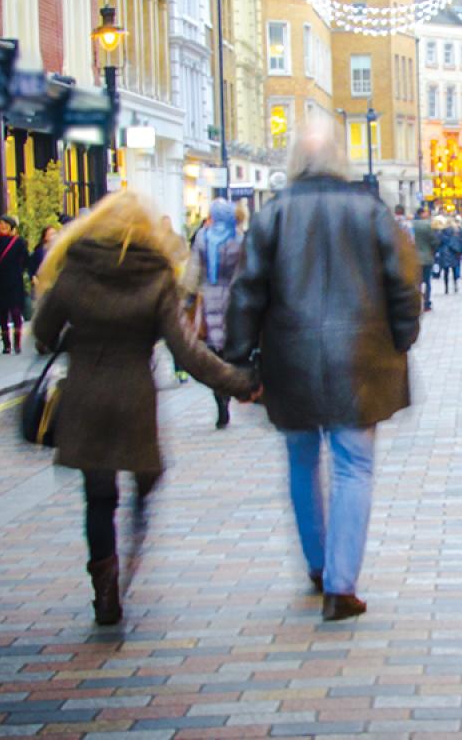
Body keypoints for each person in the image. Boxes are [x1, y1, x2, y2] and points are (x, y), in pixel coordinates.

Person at [225, 118, 422, 622]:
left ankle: (317, 565)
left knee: (300, 460)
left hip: (289, 358)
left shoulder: (272, 216)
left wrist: (240, 358)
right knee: (354, 465)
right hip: (360, 357)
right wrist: (402, 338)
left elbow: (247, 291)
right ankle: (341, 585)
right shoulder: (370, 211)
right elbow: (404, 282)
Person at [31, 190, 257, 626]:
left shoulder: (75, 269)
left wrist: (70, 334)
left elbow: (43, 332)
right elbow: (187, 352)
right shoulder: (154, 275)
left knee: (98, 498)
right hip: (133, 398)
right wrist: (240, 382)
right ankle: (135, 530)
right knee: (144, 474)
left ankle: (105, 587)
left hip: (84, 396)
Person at [187, 199, 247, 429]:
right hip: (233, 302)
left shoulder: (203, 237)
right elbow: (246, 271)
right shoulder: (238, 238)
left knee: (213, 352)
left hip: (209, 299)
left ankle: (219, 396)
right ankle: (228, 391)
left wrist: (188, 299)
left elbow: (193, 270)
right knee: (229, 352)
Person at [0, 215, 29, 354]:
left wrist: (21, 271)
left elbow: (25, 259)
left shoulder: (19, 242)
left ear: (11, 226)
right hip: (0, 280)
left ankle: (17, 342)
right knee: (3, 313)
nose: (2, 227)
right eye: (0, 224)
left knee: (15, 312)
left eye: (5, 224)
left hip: (15, 281)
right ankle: (6, 344)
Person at [411, 205, 439, 309]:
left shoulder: (410, 225)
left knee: (416, 281)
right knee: (427, 281)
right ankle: (426, 302)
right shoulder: (427, 225)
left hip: (413, 258)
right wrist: (434, 250)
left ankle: (416, 302)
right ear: (422, 213)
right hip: (426, 258)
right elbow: (434, 241)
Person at [436, 217, 462, 294]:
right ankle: (455, 284)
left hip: (444, 252)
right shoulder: (455, 231)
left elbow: (438, 242)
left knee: (446, 271)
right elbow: (460, 241)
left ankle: (446, 287)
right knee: (454, 269)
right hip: (453, 252)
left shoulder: (441, 232)